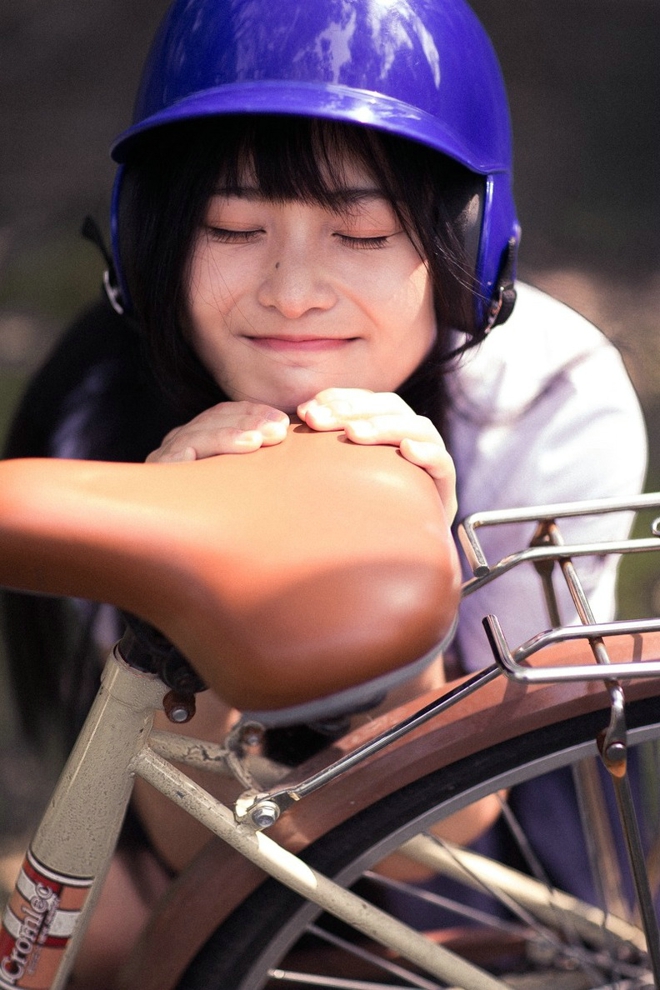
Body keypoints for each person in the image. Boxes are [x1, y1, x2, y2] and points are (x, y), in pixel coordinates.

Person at [1, 0, 647, 984]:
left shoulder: (544, 402)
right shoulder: (101, 416)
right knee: (103, 944)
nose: (294, 291)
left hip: (489, 841)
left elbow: (446, 836)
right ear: (148, 238)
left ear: (471, 244)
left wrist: (418, 579)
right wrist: (185, 567)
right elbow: (189, 850)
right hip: (206, 829)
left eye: (363, 231)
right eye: (233, 225)